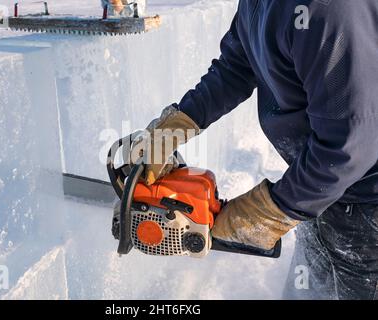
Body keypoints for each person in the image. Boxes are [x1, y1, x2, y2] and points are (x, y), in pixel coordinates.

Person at [131, 0, 378, 299]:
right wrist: (176, 125)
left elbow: (349, 141)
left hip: (366, 209)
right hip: (321, 192)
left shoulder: (330, 10)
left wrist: (272, 210)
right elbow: (236, 66)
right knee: (304, 293)